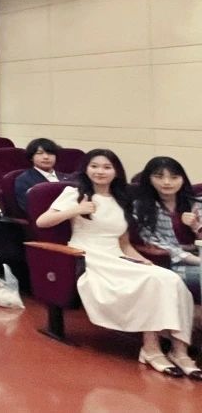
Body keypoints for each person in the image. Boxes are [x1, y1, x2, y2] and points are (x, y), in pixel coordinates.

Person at [37, 149, 194, 378]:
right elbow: (42, 222)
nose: (100, 171)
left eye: (107, 167)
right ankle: (151, 348)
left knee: (169, 278)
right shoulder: (74, 193)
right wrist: (76, 210)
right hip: (89, 255)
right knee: (151, 282)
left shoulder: (121, 199)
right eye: (94, 166)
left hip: (117, 256)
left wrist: (144, 261)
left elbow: (124, 243)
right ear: (86, 169)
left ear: (116, 171)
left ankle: (180, 350)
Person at [133, 157, 202, 317]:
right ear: (149, 179)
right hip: (170, 264)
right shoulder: (141, 207)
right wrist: (197, 260)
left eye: (174, 177)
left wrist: (195, 226)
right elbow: (154, 243)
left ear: (182, 179)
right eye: (159, 177)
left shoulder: (196, 202)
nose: (167, 182)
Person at [14, 137, 66, 212]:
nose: (46, 157)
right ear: (31, 157)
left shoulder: (68, 177)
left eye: (50, 153)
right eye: (40, 153)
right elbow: (29, 208)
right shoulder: (23, 180)